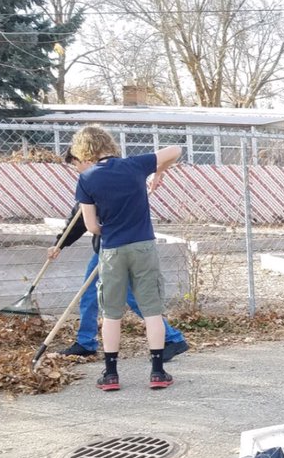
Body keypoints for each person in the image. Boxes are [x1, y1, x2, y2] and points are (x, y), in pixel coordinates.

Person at [71, 125, 182, 391]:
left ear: (85, 150)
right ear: (109, 144)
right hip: (143, 246)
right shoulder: (135, 165)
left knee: (111, 314)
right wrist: (159, 172)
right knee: (152, 310)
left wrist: (106, 229)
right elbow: (176, 150)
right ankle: (157, 372)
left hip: (112, 250)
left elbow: (90, 225)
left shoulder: (87, 178)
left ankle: (110, 375)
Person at [49, 154, 188, 362]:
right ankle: (86, 341)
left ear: (86, 157)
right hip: (110, 247)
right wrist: (60, 243)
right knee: (92, 294)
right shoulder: (98, 177)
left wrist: (158, 173)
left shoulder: (103, 177)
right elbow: (78, 219)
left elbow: (89, 223)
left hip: (116, 248)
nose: (77, 170)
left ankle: (172, 338)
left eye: (77, 164)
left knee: (132, 298)